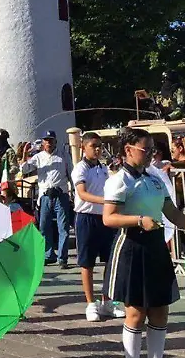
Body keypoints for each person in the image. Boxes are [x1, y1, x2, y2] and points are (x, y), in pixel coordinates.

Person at [103, 129, 185, 358]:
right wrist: (138, 220)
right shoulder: (119, 181)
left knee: (160, 309)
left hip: (155, 247)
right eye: (146, 149)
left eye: (153, 149)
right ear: (128, 150)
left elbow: (170, 210)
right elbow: (109, 218)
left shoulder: (154, 179)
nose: (151, 154)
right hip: (132, 246)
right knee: (136, 312)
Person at [72, 132, 120, 321]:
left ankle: (107, 301)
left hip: (104, 218)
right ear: (83, 147)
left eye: (100, 145)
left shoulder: (103, 167)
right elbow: (82, 193)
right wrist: (105, 201)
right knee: (87, 263)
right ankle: (91, 303)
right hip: (86, 217)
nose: (98, 149)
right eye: (93, 146)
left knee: (110, 261)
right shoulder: (80, 168)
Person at [20, 131, 72, 269]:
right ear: (43, 142)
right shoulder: (38, 157)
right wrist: (24, 154)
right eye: (46, 140)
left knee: (63, 227)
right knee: (44, 227)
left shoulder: (63, 155)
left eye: (51, 140)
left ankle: (62, 258)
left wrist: (73, 193)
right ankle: (49, 254)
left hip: (60, 194)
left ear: (55, 141)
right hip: (45, 196)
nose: (48, 142)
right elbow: (24, 169)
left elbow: (71, 174)